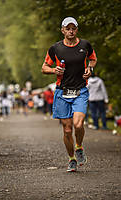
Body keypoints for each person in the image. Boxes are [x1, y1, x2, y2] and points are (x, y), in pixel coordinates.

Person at [42, 17, 97, 172]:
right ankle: (71, 158)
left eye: (73, 28)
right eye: (68, 28)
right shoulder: (55, 48)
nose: (71, 31)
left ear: (77, 30)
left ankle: (79, 147)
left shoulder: (85, 45)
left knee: (78, 124)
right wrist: (53, 70)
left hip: (80, 90)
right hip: (62, 91)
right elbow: (44, 67)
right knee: (67, 129)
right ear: (63, 30)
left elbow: (93, 59)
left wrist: (90, 69)